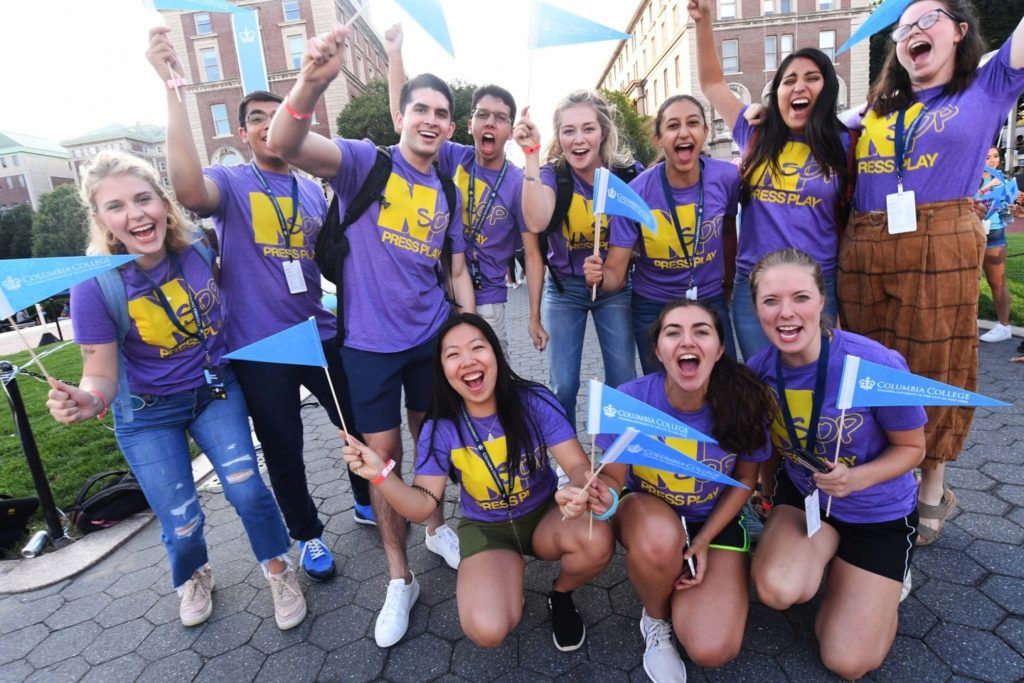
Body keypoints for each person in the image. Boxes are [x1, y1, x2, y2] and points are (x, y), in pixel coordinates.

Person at [267, 22, 475, 648]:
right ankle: (399, 577)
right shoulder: (364, 162)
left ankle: (436, 527)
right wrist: (310, 81)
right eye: (421, 109)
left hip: (431, 339)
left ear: (449, 126)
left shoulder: (445, 186)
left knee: (431, 442)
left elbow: (456, 268)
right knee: (383, 466)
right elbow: (286, 143)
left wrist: (470, 331)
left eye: (442, 113)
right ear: (403, 116)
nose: (431, 120)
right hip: (368, 348)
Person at [145, 27, 372, 585]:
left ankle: (370, 499)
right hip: (259, 345)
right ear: (245, 135)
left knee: (358, 426)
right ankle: (310, 537)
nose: (268, 126)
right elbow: (188, 191)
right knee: (283, 448)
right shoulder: (229, 182)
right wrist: (172, 91)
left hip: (320, 332)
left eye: (278, 115)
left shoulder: (312, 188)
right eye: (256, 120)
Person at [46, 151, 306, 631]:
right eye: (117, 206)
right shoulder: (95, 283)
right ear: (100, 219)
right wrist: (88, 400)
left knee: (247, 488)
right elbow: (99, 372)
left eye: (144, 199)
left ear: (164, 202)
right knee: (181, 520)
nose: (136, 214)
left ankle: (277, 567)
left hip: (215, 392)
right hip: (147, 413)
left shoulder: (199, 248)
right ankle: (192, 573)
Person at [837, 0, 1024, 545]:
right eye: (904, 27)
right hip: (865, 242)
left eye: (928, 20)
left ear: (960, 32)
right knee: (866, 366)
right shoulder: (873, 109)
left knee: (934, 365)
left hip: (941, 237)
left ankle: (931, 486)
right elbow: (812, 129)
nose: (914, 31)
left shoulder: (987, 83)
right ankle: (879, 478)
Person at [342, 313, 614, 652]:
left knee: (597, 538)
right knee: (488, 629)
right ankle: (505, 580)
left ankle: (560, 595)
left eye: (477, 348)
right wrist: (379, 474)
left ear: (495, 354)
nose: (467, 360)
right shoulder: (438, 427)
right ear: (441, 371)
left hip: (545, 515)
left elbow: (575, 463)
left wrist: (579, 487)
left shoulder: (533, 400)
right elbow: (422, 505)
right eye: (452, 354)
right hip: (487, 529)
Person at [746, 249, 926, 680]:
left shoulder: (877, 364)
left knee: (847, 662)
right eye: (771, 301)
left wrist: (857, 478)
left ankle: (878, 583)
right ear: (755, 308)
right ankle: (830, 564)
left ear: (822, 301)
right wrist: (766, 490)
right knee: (778, 590)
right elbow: (769, 441)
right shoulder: (758, 372)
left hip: (878, 511)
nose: (786, 314)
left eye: (800, 298)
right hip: (807, 499)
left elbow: (913, 449)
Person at [595, 300, 773, 681]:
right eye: (673, 332)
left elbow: (745, 479)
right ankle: (656, 619)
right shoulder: (630, 399)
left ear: (719, 349)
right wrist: (599, 496)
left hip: (714, 517)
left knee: (713, 649)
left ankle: (679, 585)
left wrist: (706, 539)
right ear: (658, 350)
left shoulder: (744, 399)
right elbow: (612, 480)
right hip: (648, 512)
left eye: (701, 331)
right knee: (660, 538)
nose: (686, 341)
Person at [689, 0, 852, 360]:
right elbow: (713, 84)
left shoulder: (846, 143)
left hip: (815, 285)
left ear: (827, 90)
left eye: (812, 78)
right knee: (762, 385)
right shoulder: (755, 134)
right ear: (776, 92)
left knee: (815, 383)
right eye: (789, 80)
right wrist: (704, 23)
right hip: (755, 288)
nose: (799, 87)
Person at [385, 24, 548, 359]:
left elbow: (532, 255)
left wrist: (534, 316)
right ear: (470, 124)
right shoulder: (452, 156)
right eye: (482, 115)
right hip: (436, 293)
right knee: (439, 384)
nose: (490, 123)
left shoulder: (519, 183)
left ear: (509, 130)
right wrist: (395, 55)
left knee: (486, 378)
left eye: (501, 118)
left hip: (488, 301)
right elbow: (406, 116)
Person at [584, 95, 741, 370]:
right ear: (658, 138)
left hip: (709, 299)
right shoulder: (635, 194)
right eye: (672, 126)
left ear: (705, 132)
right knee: (661, 392)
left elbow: (729, 230)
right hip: (654, 306)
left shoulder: (726, 178)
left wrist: (728, 284)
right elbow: (615, 276)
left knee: (725, 387)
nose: (683, 132)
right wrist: (597, 277)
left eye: (693, 123)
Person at [513, 91, 638, 422]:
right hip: (565, 289)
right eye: (569, 131)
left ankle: (617, 461)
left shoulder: (625, 175)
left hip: (613, 289)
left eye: (588, 129)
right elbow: (537, 220)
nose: (579, 139)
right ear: (559, 136)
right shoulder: (554, 175)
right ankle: (568, 459)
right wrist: (530, 155)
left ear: (604, 132)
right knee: (563, 385)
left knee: (624, 382)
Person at [978, 146, 1017, 343]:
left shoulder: (1005, 180)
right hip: (971, 232)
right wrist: (985, 187)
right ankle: (965, 322)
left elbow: (1011, 208)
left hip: (995, 232)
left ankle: (1003, 326)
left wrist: (1013, 206)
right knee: (968, 281)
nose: (992, 160)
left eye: (995, 156)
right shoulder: (969, 177)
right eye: (987, 157)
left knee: (997, 280)